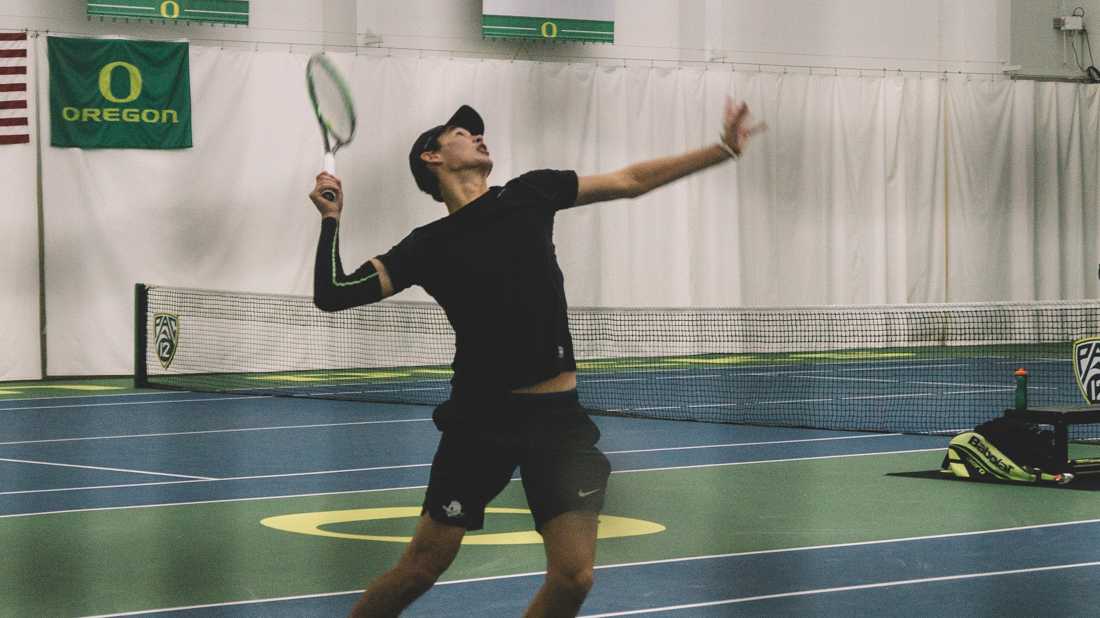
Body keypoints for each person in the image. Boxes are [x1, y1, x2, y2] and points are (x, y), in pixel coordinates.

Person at [309, 98, 764, 618]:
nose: (480, 138)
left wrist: (722, 149)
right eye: (463, 133)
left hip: (558, 421)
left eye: (479, 133)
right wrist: (331, 219)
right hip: (480, 420)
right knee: (422, 565)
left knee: (574, 577)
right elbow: (335, 292)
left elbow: (630, 180)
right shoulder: (425, 246)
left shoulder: (530, 193)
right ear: (432, 158)